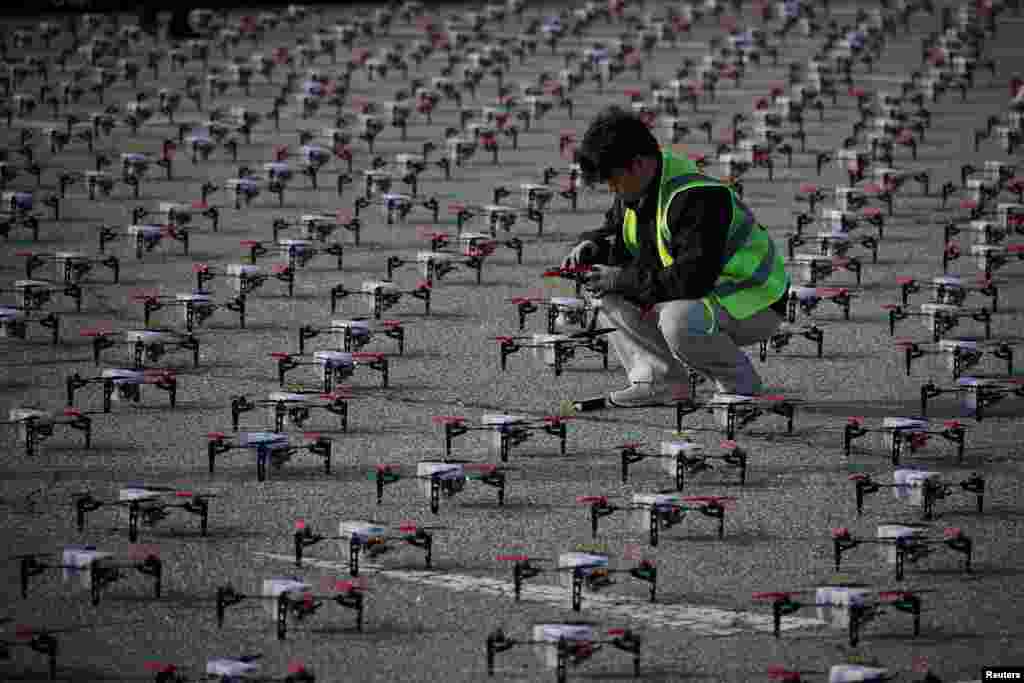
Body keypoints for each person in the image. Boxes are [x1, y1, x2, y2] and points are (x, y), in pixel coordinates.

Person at [562, 106, 790, 408]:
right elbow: (619, 233)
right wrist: (593, 246)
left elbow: (691, 280)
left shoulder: (698, 198)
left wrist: (618, 277)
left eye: (613, 180)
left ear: (639, 163)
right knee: (610, 295)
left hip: (754, 300)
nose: (612, 189)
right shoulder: (640, 185)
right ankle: (661, 382)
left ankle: (739, 387)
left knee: (678, 319)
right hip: (707, 292)